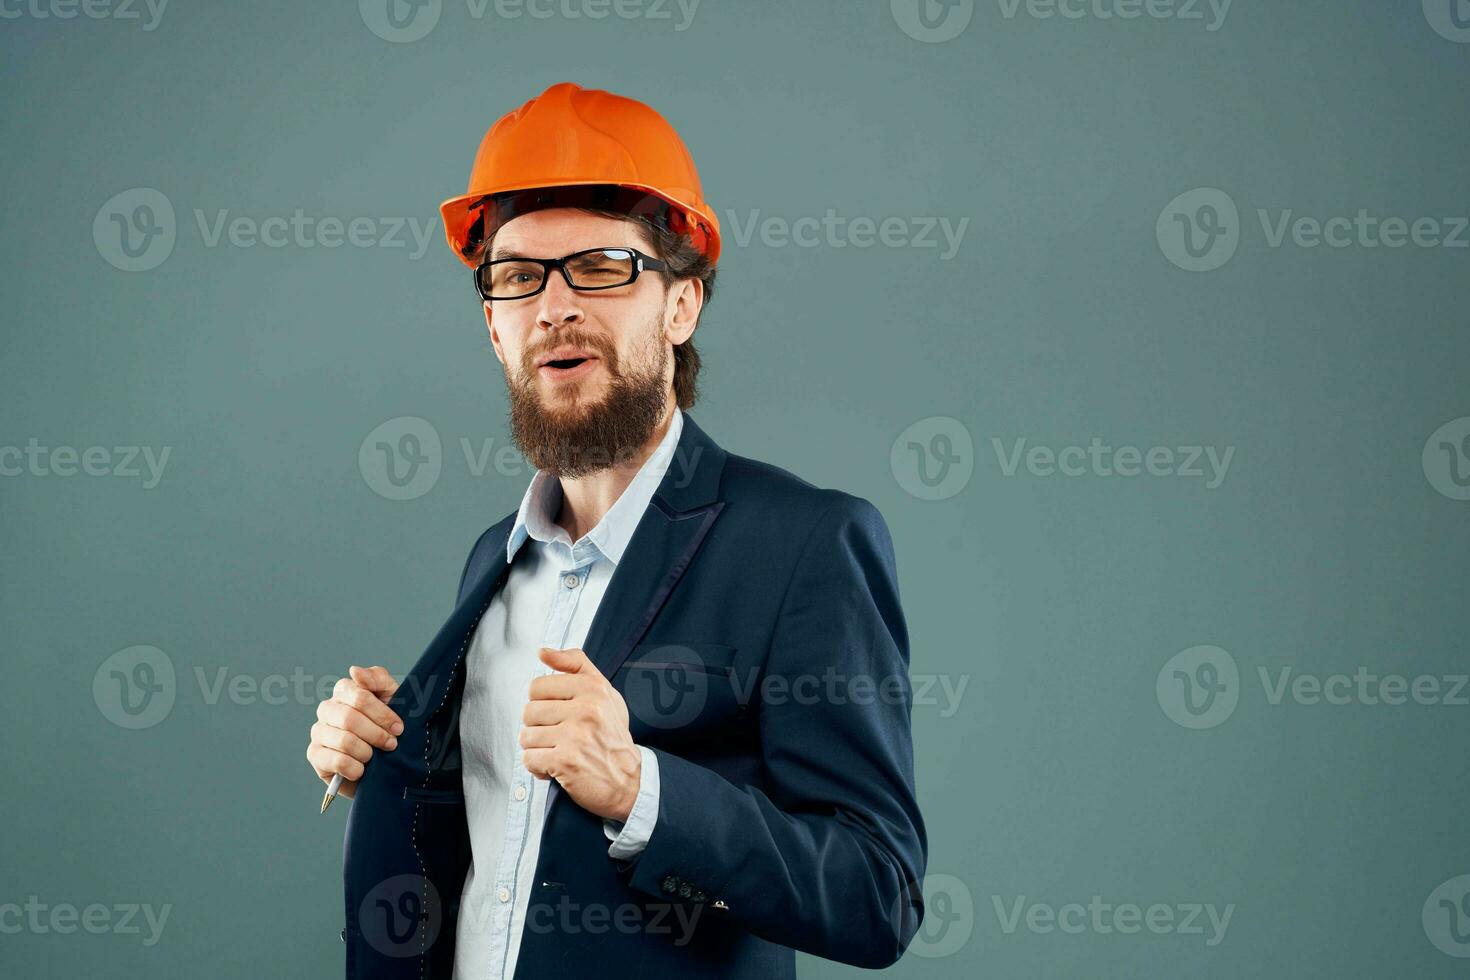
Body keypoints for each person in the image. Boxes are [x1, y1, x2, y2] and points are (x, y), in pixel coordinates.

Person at [305, 81, 927, 980]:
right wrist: (391, 746)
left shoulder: (804, 545)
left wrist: (642, 791)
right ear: (492, 325)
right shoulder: (495, 559)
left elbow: (879, 893)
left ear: (682, 305)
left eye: (600, 267)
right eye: (519, 278)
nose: (554, 306)